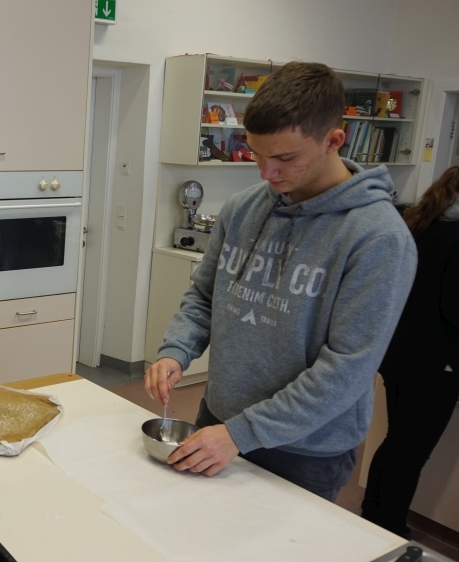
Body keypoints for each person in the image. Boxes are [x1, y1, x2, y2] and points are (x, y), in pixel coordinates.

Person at [144, 62, 418, 501]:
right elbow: (205, 296)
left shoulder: (378, 238)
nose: (266, 173)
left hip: (304, 451)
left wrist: (242, 433)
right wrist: (176, 350)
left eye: (286, 158)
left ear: (334, 141)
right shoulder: (242, 208)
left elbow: (346, 369)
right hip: (217, 421)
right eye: (256, 153)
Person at [361, 166, 459, 537]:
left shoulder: (419, 225)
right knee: (411, 451)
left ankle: (373, 516)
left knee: (396, 442)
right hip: (436, 364)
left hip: (398, 353)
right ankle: (388, 527)